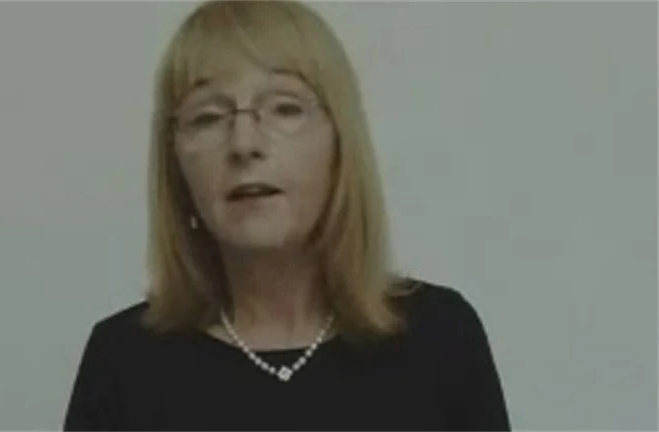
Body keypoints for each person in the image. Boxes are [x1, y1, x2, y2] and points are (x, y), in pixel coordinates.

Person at [63, 0, 512, 430]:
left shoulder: (441, 339)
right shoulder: (122, 362)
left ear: (341, 145)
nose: (243, 144)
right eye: (208, 117)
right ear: (175, 164)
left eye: (284, 108)